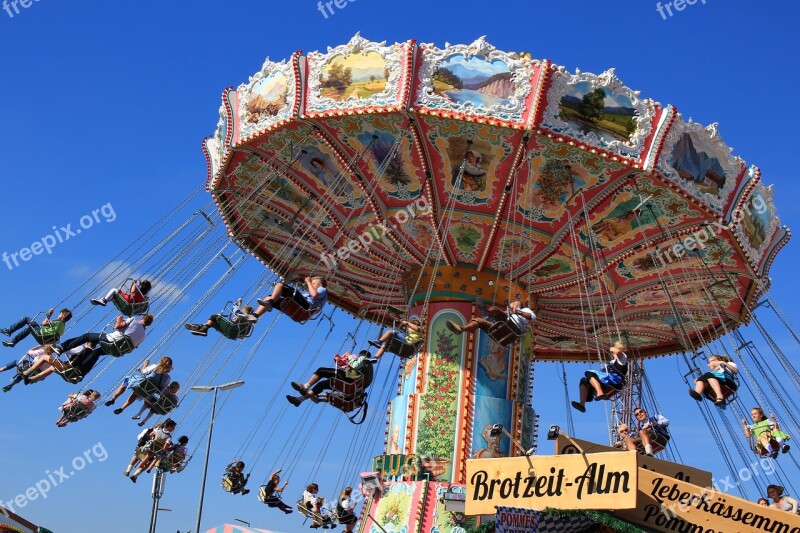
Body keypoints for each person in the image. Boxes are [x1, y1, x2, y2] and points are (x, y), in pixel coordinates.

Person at [286, 350, 374, 407]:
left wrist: (349, 356)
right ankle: (299, 399)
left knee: (321, 371)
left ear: (361, 354)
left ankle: (306, 386)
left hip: (349, 380)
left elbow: (355, 365)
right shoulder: (369, 371)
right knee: (322, 384)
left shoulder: (364, 359)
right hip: (351, 386)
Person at [571, 341, 629, 413]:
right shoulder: (612, 362)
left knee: (589, 373)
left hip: (615, 380)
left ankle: (600, 392)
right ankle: (582, 404)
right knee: (584, 381)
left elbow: (617, 351)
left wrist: (609, 348)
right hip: (606, 381)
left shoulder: (622, 359)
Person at [59, 313, 153, 355]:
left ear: (142, 318)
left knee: (87, 336)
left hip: (112, 340)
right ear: (148, 324)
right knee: (96, 352)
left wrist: (119, 319)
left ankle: (63, 348)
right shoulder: (144, 337)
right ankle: (80, 368)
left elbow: (118, 326)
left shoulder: (133, 320)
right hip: (120, 351)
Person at [109, 357, 173, 415]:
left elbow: (143, 372)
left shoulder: (154, 367)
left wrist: (145, 364)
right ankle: (122, 408)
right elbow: (162, 390)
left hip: (142, 384)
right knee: (135, 394)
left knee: (126, 380)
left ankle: (113, 398)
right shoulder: (168, 378)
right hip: (149, 392)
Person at [249, 276, 328, 321]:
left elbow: (315, 295)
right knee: (268, 298)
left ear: (320, 284)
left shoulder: (322, 289)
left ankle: (271, 302)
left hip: (306, 306)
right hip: (300, 308)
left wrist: (308, 281)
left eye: (313, 283)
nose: (311, 285)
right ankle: (254, 316)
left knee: (280, 285)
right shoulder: (306, 294)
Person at [22, 341, 100, 384]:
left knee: (45, 357)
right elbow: (89, 369)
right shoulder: (94, 356)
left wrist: (60, 349)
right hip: (74, 374)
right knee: (52, 368)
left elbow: (68, 351)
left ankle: (27, 372)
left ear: (87, 343)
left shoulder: (82, 348)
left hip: (68, 368)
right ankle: (32, 379)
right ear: (95, 346)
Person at [446, 300, 535, 337]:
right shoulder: (509, 313)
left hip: (514, 329)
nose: (512, 307)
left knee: (496, 311)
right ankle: (461, 329)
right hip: (503, 330)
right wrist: (510, 312)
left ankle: (486, 312)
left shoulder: (525, 310)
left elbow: (533, 317)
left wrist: (518, 312)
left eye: (514, 304)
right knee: (479, 321)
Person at [1, 308, 72, 348]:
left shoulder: (58, 322)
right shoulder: (62, 328)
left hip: (40, 333)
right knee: (29, 329)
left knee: (26, 319)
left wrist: (50, 314)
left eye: (60, 313)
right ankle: (13, 342)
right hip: (43, 340)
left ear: (63, 315)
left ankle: (9, 330)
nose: (58, 315)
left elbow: (44, 323)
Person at [185, 298, 253, 337]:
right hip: (234, 334)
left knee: (215, 317)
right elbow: (245, 333)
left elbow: (236, 310)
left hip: (232, 330)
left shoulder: (244, 316)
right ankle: (201, 327)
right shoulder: (250, 323)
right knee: (214, 322)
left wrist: (238, 304)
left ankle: (201, 327)